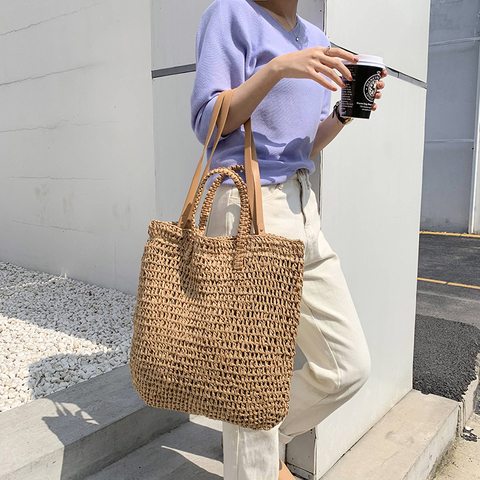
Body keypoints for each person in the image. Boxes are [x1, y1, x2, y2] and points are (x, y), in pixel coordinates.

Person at [190, 0, 387, 479]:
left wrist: (344, 113)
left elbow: (306, 144)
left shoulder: (318, 41)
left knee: (348, 364)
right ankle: (253, 455)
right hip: (247, 203)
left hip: (301, 206)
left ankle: (261, 439)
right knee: (251, 373)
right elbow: (208, 124)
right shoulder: (232, 14)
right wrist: (277, 69)